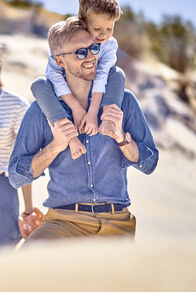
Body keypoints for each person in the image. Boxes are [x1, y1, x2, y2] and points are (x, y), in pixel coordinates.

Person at [8, 18, 159, 245]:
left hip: (117, 223)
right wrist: (55, 146)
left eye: (94, 48)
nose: (90, 57)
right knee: (23, 269)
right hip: (62, 223)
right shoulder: (40, 111)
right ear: (59, 61)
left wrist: (122, 139)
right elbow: (17, 176)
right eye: (80, 52)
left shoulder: (123, 102)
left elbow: (150, 163)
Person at [31, 0, 124, 160]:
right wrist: (76, 108)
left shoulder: (109, 45)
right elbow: (54, 75)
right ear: (82, 21)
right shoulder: (64, 37)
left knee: (118, 74)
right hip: (68, 87)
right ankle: (71, 137)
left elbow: (102, 75)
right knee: (38, 84)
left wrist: (92, 112)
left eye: (109, 28)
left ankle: (109, 120)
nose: (103, 35)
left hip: (93, 88)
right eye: (97, 29)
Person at [0, 47, 43, 247]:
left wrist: (27, 208)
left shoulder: (16, 105)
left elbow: (24, 157)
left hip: (4, 186)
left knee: (5, 245)